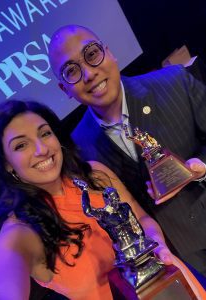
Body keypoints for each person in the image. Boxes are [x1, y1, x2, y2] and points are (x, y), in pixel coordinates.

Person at [48, 24, 206, 277]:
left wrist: (200, 167)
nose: (89, 73)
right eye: (71, 71)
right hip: (171, 266)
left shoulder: (174, 82)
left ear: (109, 52)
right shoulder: (79, 148)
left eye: (92, 54)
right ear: (64, 89)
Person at [0, 100, 175, 300]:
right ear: (7, 164)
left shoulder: (95, 174)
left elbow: (141, 219)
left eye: (45, 133)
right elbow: (3, 266)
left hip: (172, 286)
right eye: (21, 145)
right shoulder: (22, 231)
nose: (41, 150)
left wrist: (159, 246)